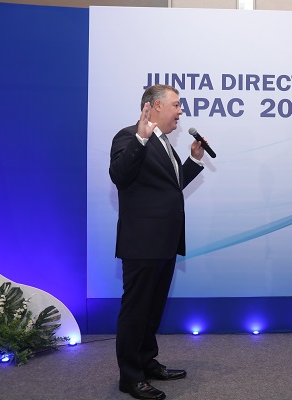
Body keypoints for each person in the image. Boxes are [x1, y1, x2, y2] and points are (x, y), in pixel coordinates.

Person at [109, 84, 207, 400]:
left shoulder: (165, 143)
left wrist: (192, 162)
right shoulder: (128, 136)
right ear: (153, 107)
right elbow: (120, 176)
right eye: (176, 105)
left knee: (152, 310)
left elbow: (171, 185)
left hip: (164, 242)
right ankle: (130, 376)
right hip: (141, 243)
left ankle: (147, 361)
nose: (181, 111)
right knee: (136, 310)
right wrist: (140, 138)